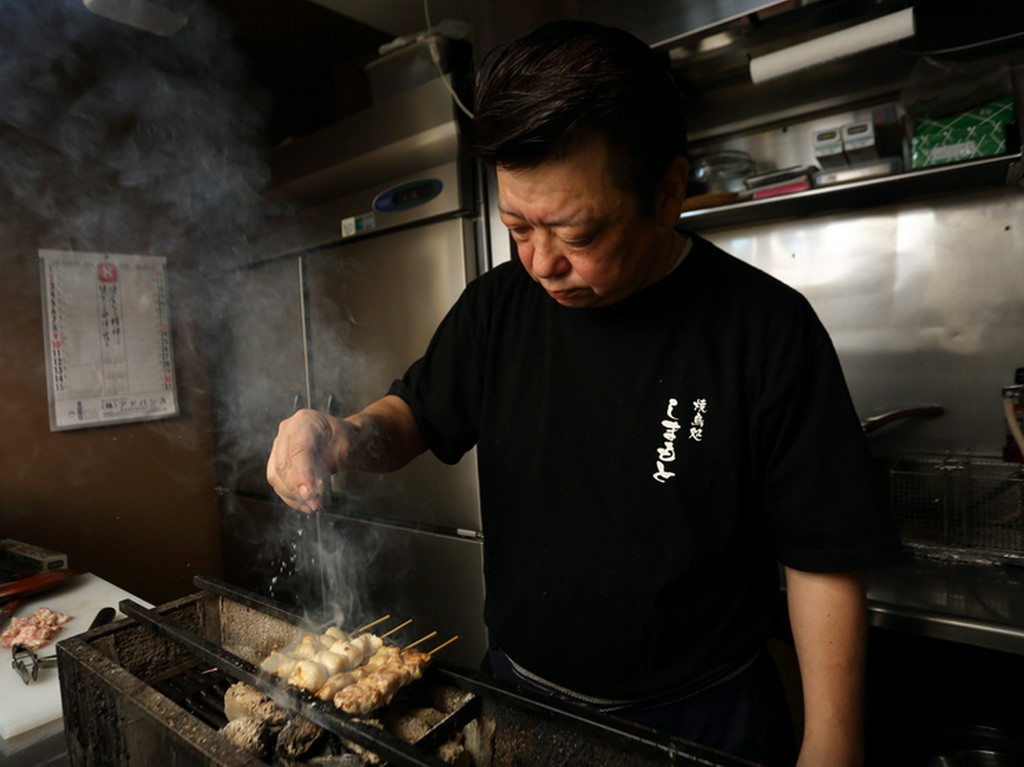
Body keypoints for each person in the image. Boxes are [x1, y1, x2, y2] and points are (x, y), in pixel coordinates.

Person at [267, 20, 904, 766]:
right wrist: (339, 433)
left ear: (667, 191)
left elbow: (824, 558)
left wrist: (832, 745)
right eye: (517, 226)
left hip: (701, 717)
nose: (541, 262)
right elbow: (411, 417)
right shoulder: (497, 306)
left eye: (575, 233)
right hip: (521, 699)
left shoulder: (765, 329)